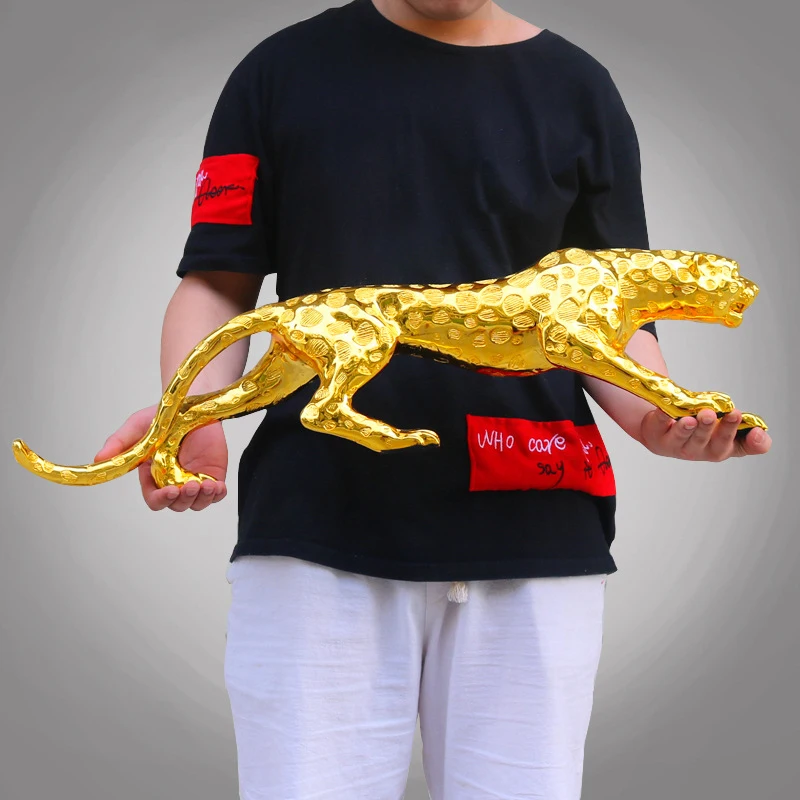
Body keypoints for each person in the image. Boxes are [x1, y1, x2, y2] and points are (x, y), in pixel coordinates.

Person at [93, 1, 772, 797]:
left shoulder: (581, 88)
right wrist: (192, 413)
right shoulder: (277, 73)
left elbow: (614, 319)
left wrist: (661, 419)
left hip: (534, 529)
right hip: (318, 535)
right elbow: (219, 277)